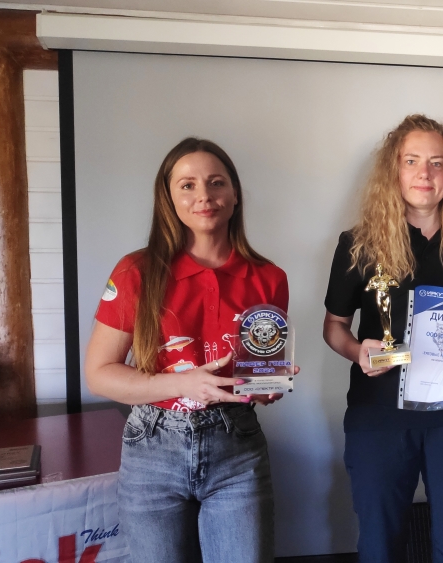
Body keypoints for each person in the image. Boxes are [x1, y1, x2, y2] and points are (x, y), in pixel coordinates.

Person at [84, 138, 294, 563]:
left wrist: (267, 386)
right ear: (168, 197)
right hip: (152, 447)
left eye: (216, 183)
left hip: (236, 447)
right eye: (187, 185)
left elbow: (262, 369)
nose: (204, 196)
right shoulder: (135, 272)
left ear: (234, 195)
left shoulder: (269, 277)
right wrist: (183, 384)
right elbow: (100, 373)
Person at [322, 114, 443, 563]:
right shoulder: (358, 244)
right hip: (379, 417)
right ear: (394, 169)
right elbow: (334, 326)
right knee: (380, 547)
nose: (425, 173)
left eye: (436, 162)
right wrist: (357, 351)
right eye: (412, 161)